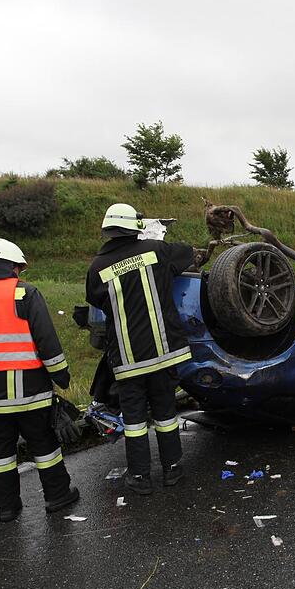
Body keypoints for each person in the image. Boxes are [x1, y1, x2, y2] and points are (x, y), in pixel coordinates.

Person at [0, 238, 78, 522]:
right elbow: (46, 339)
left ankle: (7, 508)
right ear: (11, 266)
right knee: (44, 446)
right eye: (18, 268)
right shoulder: (25, 294)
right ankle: (57, 497)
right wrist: (60, 374)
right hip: (30, 392)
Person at [86, 203, 196, 495]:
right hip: (164, 352)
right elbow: (187, 254)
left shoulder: (97, 267)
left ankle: (139, 477)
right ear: (135, 227)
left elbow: (95, 300)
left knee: (134, 420)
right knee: (166, 412)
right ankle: (173, 470)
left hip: (128, 358)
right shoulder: (155, 250)